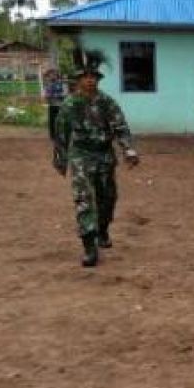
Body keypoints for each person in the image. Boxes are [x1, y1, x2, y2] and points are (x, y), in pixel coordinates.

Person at [52, 51, 140, 267]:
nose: (90, 80)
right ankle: (89, 246)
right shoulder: (70, 104)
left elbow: (120, 126)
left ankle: (102, 230)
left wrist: (128, 150)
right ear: (79, 80)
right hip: (81, 155)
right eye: (86, 77)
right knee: (84, 199)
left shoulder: (107, 102)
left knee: (107, 197)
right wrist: (61, 160)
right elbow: (61, 133)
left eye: (94, 77)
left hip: (104, 155)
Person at [44, 68, 66, 141]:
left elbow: (64, 94)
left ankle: (61, 135)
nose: (52, 76)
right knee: (52, 121)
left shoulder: (61, 84)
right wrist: (49, 96)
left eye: (53, 74)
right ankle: (53, 136)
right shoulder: (48, 85)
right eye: (50, 75)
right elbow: (47, 95)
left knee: (61, 121)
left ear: (57, 75)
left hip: (60, 105)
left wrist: (55, 95)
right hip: (52, 105)